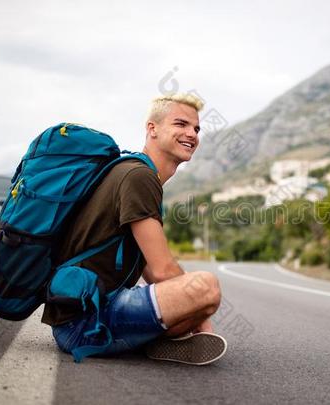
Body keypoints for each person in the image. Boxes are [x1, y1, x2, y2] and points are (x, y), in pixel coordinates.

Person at [41, 94, 226, 365]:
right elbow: (164, 269)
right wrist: (201, 315)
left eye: (196, 128)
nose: (192, 134)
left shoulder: (133, 171)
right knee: (206, 287)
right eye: (181, 124)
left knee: (197, 292)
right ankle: (151, 338)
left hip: (82, 316)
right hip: (85, 324)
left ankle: (149, 338)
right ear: (152, 129)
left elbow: (151, 270)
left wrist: (190, 310)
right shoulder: (140, 177)